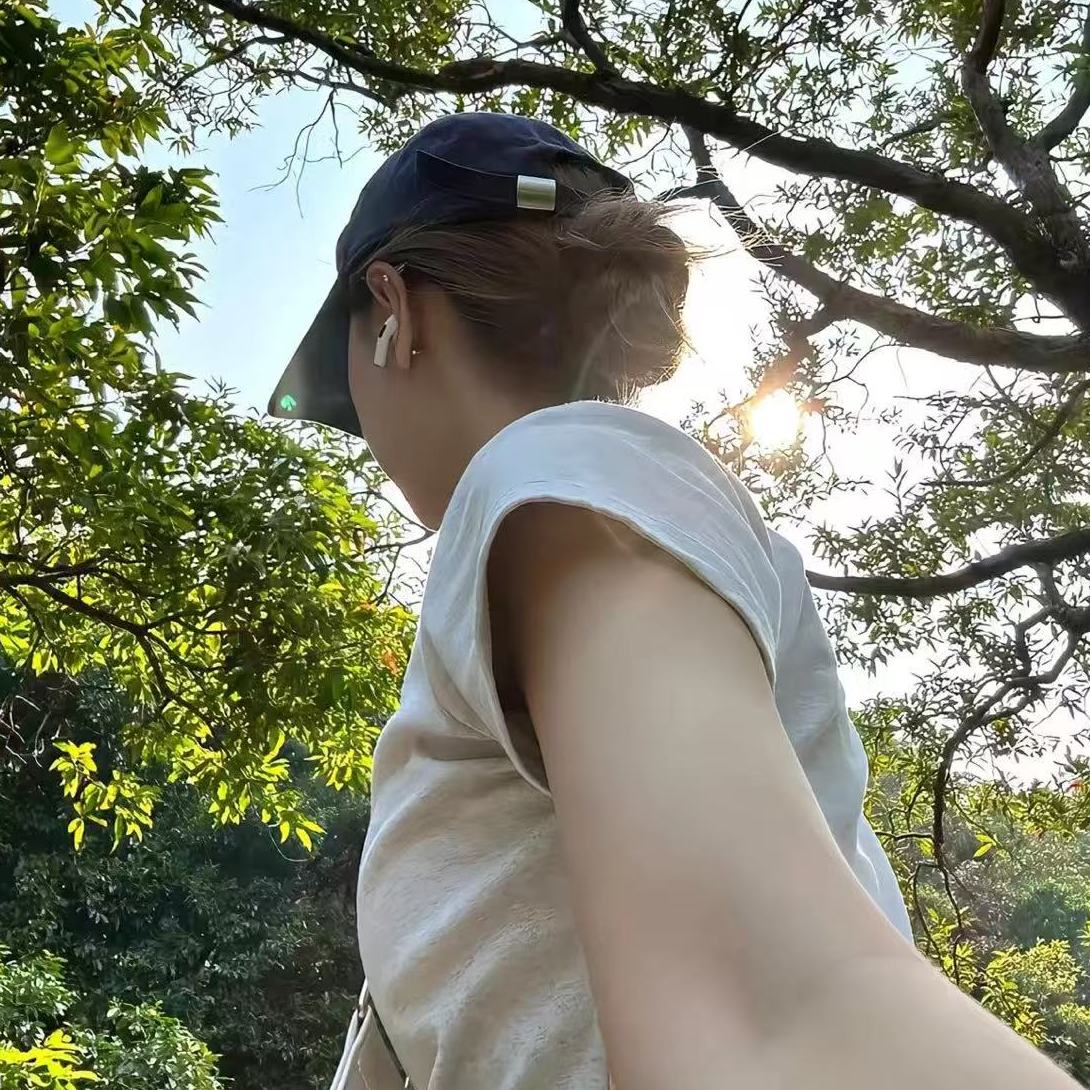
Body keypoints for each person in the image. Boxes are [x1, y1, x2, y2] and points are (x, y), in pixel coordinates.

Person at [268, 112, 1078, 1090]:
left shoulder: (559, 478)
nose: (362, 425)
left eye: (344, 379)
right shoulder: (570, 502)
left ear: (394, 308)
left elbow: (773, 1016)